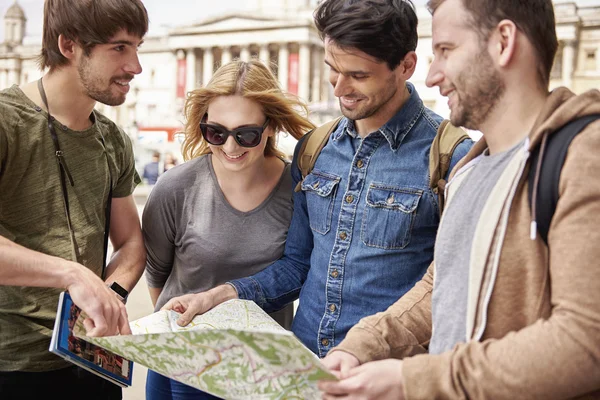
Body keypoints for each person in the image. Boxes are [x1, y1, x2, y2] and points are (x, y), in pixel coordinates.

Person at [318, 0, 600, 398]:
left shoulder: (585, 154)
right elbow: (443, 283)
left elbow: (586, 342)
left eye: (446, 51)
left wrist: (411, 380)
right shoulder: (469, 166)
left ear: (504, 42)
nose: (431, 77)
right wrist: (364, 344)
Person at [162, 0, 473, 358]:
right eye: (332, 69)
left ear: (406, 66)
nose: (339, 89)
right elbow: (297, 265)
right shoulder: (315, 149)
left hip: (385, 375)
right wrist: (225, 294)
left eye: (358, 75)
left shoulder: (451, 158)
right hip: (305, 361)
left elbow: (451, 288)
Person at [0, 0, 148, 399]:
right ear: (69, 45)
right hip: (12, 366)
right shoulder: (5, 122)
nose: (135, 66)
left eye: (138, 47)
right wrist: (73, 275)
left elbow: (132, 244)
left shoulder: (114, 140)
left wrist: (109, 299)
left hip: (94, 360)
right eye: (119, 48)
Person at [142, 59, 314, 400]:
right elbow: (157, 276)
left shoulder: (299, 189)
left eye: (246, 134)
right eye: (216, 132)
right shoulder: (175, 187)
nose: (230, 148)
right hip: (184, 362)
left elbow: (300, 269)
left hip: (262, 370)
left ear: (270, 127)